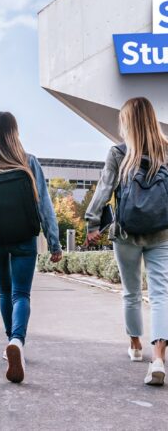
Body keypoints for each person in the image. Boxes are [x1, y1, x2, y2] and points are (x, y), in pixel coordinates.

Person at [0, 111, 62, 383]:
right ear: (14, 132)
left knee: (4, 291)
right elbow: (44, 205)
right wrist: (54, 242)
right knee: (21, 294)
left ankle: (11, 342)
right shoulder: (29, 162)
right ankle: (17, 342)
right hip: (25, 238)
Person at [85, 97, 168, 386]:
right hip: (162, 233)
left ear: (127, 122)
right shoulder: (166, 149)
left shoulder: (119, 152)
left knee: (131, 292)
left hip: (125, 234)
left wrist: (92, 223)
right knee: (161, 294)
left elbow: (104, 188)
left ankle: (135, 346)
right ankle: (159, 357)